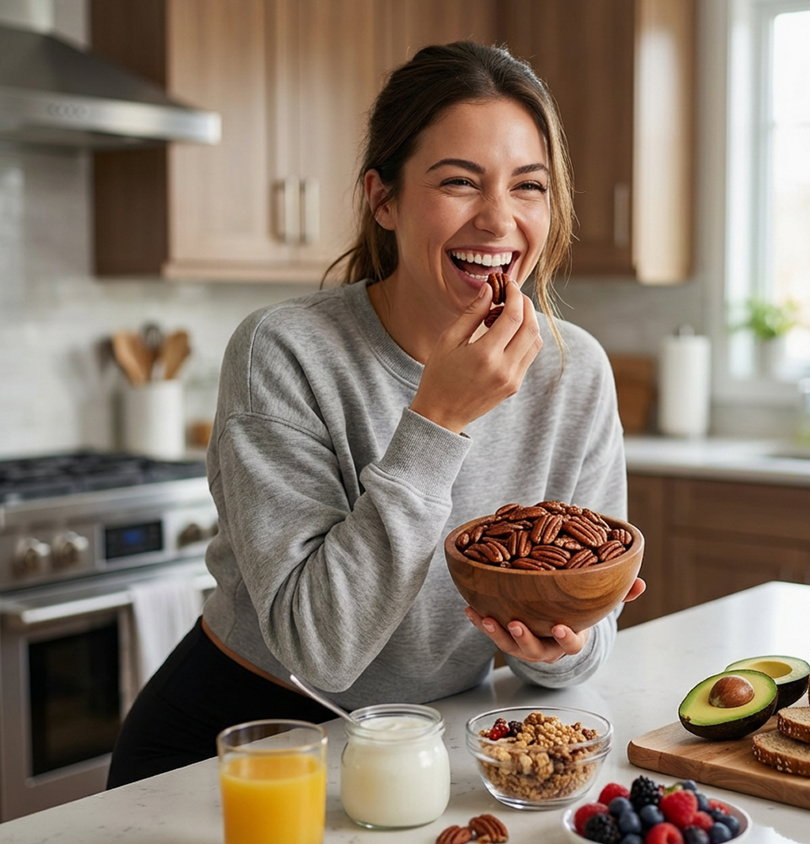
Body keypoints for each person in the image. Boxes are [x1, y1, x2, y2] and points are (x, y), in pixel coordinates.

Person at [107, 40, 645, 788]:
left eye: (529, 186)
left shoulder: (572, 369)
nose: (499, 219)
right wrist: (438, 420)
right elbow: (319, 650)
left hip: (429, 739)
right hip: (251, 742)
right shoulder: (283, 352)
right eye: (459, 182)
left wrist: (557, 645)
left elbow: (585, 643)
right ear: (383, 198)